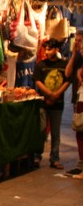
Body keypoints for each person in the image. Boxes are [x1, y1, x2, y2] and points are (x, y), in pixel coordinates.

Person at [33, 39, 70, 169]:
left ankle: (54, 158)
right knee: (42, 130)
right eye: (46, 49)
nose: (47, 52)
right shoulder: (40, 65)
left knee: (55, 132)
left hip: (57, 104)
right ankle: (37, 156)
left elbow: (67, 80)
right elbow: (38, 81)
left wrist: (57, 94)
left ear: (57, 50)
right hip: (44, 103)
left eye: (49, 49)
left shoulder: (64, 65)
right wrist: (49, 93)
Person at [64, 28, 83, 174]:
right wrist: (74, 54)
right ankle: (80, 163)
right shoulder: (77, 56)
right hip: (78, 97)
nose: (77, 43)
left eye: (80, 41)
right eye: (75, 41)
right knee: (79, 129)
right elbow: (67, 73)